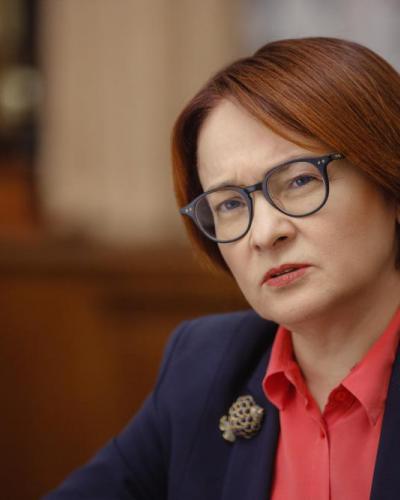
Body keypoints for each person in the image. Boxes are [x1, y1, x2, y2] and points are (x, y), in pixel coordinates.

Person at [44, 37, 400, 500]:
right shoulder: (206, 364)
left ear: (390, 183)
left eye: (299, 180)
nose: (264, 233)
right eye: (230, 203)